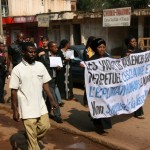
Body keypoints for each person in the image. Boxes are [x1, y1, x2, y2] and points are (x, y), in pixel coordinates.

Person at [9, 42, 58, 150]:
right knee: (33, 142)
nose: (33, 54)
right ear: (23, 53)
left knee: (45, 126)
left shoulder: (40, 65)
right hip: (26, 107)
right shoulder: (17, 69)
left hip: (40, 104)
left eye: (34, 52)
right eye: (30, 52)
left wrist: (52, 99)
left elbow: (45, 84)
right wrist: (15, 110)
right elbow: (13, 91)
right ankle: (32, 141)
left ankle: (28, 137)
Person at [86, 38, 112, 135]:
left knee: (105, 106)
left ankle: (99, 122)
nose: (102, 49)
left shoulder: (108, 57)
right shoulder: (92, 59)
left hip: (106, 88)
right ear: (95, 48)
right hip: (96, 89)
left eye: (103, 47)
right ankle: (99, 128)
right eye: (99, 47)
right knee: (98, 107)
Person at [37, 37, 63, 123]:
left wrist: (59, 68)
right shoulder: (44, 56)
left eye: (57, 47)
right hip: (46, 80)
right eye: (55, 47)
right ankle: (57, 115)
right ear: (50, 48)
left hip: (54, 79)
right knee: (52, 98)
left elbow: (59, 68)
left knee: (48, 98)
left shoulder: (57, 56)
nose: (56, 48)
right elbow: (39, 67)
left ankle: (46, 113)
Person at [124, 35, 144, 119]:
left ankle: (138, 113)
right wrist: (126, 57)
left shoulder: (139, 51)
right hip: (130, 78)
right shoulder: (125, 53)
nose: (134, 43)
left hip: (138, 77)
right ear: (129, 43)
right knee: (132, 95)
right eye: (132, 41)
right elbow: (123, 65)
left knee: (138, 94)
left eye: (135, 41)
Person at [82, 36, 96, 106]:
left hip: (95, 70)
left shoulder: (95, 49)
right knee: (88, 86)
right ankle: (86, 101)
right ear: (90, 42)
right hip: (89, 70)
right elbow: (90, 59)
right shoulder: (88, 50)